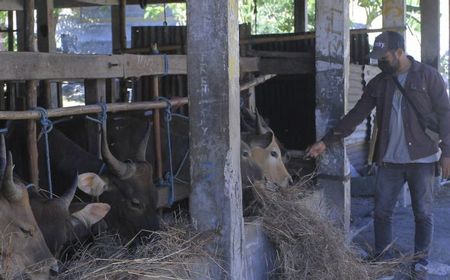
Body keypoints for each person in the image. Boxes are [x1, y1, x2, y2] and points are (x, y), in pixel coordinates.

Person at [306, 31, 450, 279]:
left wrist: (447, 152)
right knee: (382, 211)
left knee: (423, 213)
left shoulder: (428, 76)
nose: (379, 62)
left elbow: (446, 113)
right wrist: (326, 141)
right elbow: (357, 115)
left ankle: (420, 261)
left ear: (398, 53)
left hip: (423, 159)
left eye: (384, 57)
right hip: (389, 160)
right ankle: (383, 258)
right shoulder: (380, 83)